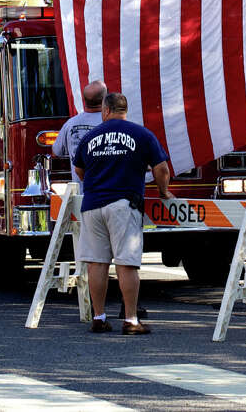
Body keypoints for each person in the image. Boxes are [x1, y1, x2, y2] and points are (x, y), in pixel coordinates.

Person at [72, 92, 173, 335]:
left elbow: (79, 169)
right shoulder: (141, 134)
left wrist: (97, 184)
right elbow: (161, 169)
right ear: (125, 111)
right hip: (123, 203)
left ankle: (98, 317)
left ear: (105, 111)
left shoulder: (90, 136)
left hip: (92, 205)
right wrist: (163, 192)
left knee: (96, 263)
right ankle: (130, 320)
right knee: (126, 263)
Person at [53, 80, 107, 162]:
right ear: (105, 98)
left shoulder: (70, 124)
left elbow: (56, 152)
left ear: (84, 99)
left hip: (80, 174)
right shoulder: (112, 123)